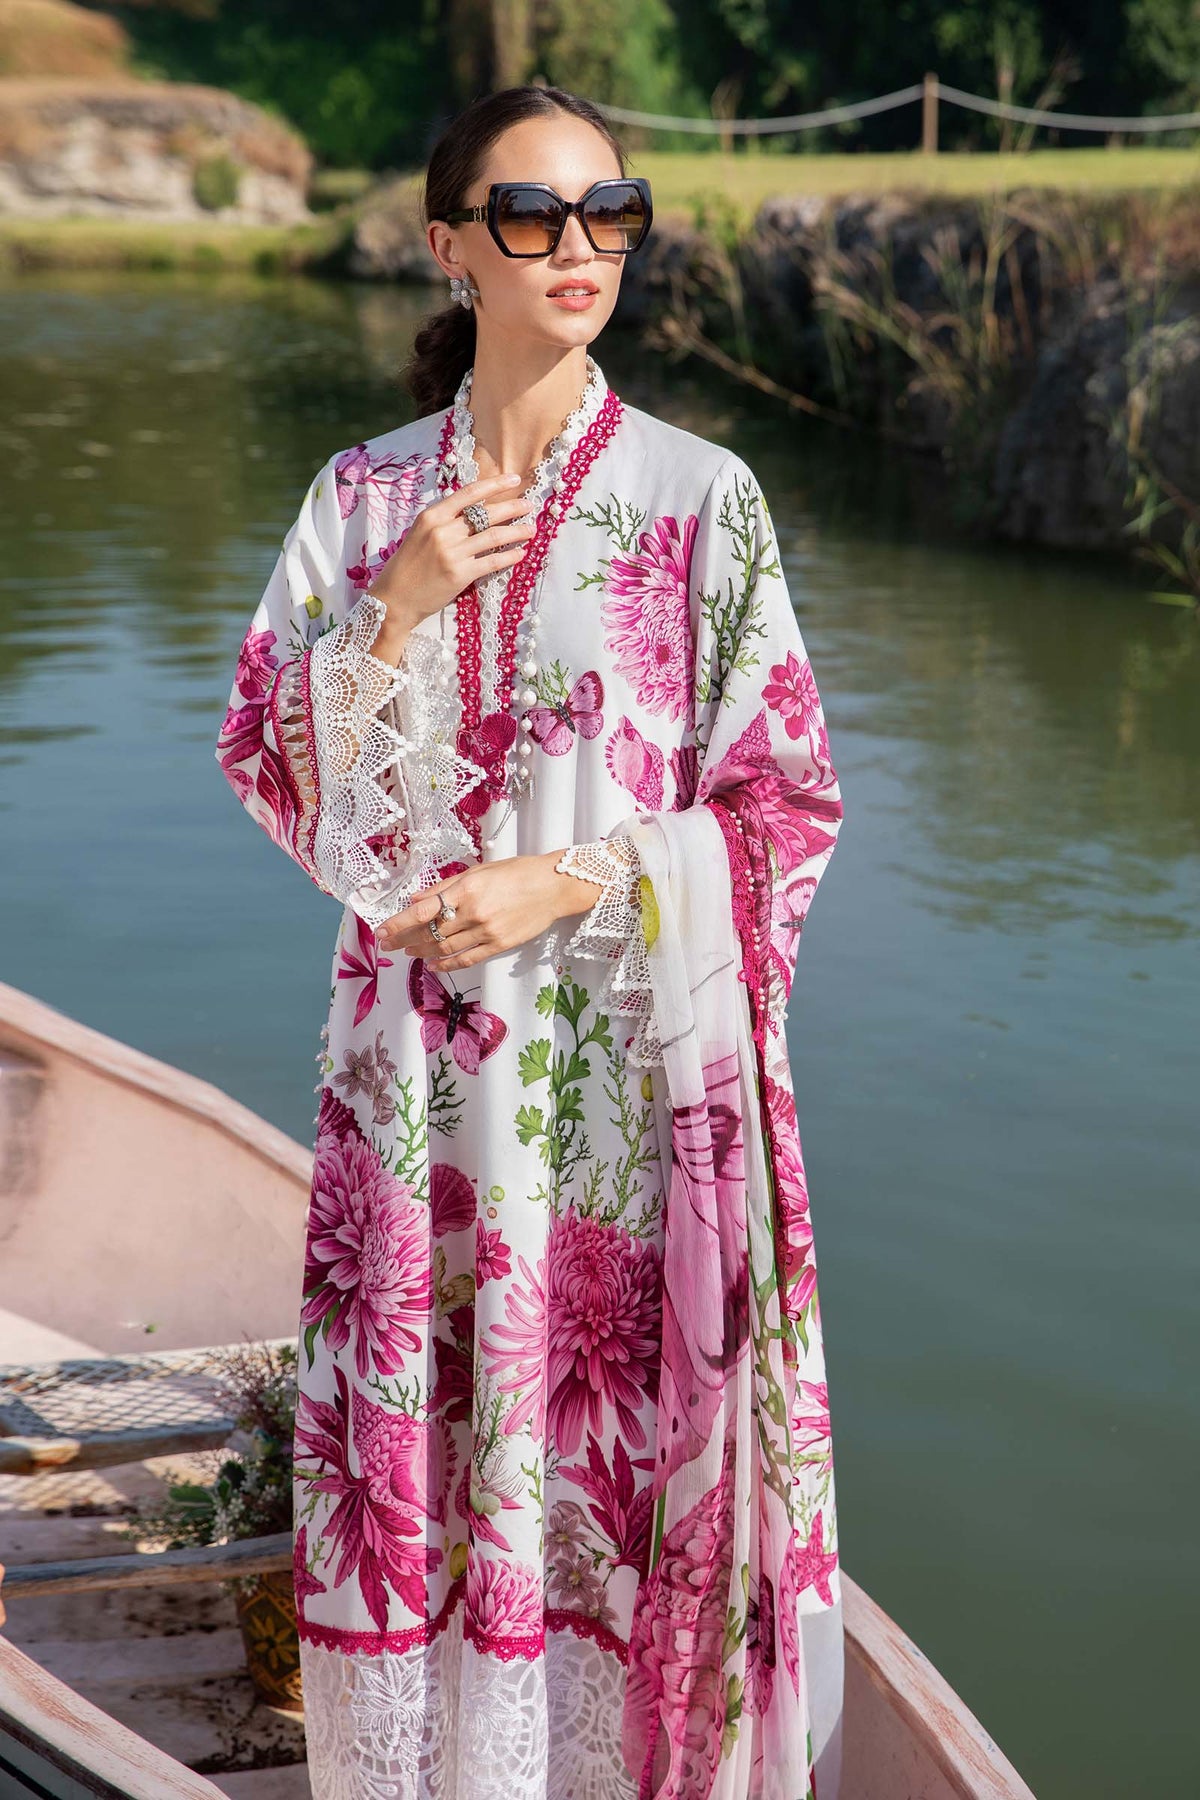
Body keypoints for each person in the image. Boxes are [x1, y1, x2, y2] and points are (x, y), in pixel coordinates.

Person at [215, 82, 846, 1800]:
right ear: (451, 247)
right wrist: (391, 611)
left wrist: (563, 881)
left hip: (620, 1106)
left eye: (610, 212)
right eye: (533, 214)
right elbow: (268, 763)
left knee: (605, 1467)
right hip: (413, 1097)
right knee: (424, 1469)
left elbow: (785, 806)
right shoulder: (360, 501)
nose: (581, 247)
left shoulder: (700, 501)